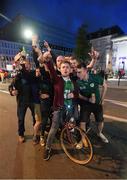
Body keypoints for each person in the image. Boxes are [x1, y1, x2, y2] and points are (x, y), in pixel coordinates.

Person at [42, 58, 79, 161]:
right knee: (53, 129)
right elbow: (51, 70)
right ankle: (48, 148)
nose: (65, 69)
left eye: (67, 67)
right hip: (59, 109)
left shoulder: (73, 82)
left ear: (71, 70)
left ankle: (68, 137)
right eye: (63, 67)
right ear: (60, 69)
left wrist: (74, 94)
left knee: (70, 124)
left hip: (70, 108)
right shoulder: (57, 79)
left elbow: (76, 94)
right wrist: (48, 60)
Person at [76, 62, 108, 148]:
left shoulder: (94, 77)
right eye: (77, 72)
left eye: (80, 72)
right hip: (86, 104)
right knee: (82, 122)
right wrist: (88, 99)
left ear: (86, 71)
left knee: (100, 120)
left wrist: (102, 99)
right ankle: (82, 139)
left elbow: (105, 85)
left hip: (97, 104)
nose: (78, 74)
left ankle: (99, 133)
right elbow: (78, 95)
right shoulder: (78, 81)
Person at [8, 54, 35, 143]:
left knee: (35, 117)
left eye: (27, 64)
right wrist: (12, 92)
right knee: (21, 118)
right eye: (24, 64)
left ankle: (36, 131)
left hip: (32, 100)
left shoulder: (33, 74)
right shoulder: (18, 75)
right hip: (22, 101)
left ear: (30, 65)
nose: (25, 65)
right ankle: (21, 134)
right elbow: (11, 86)